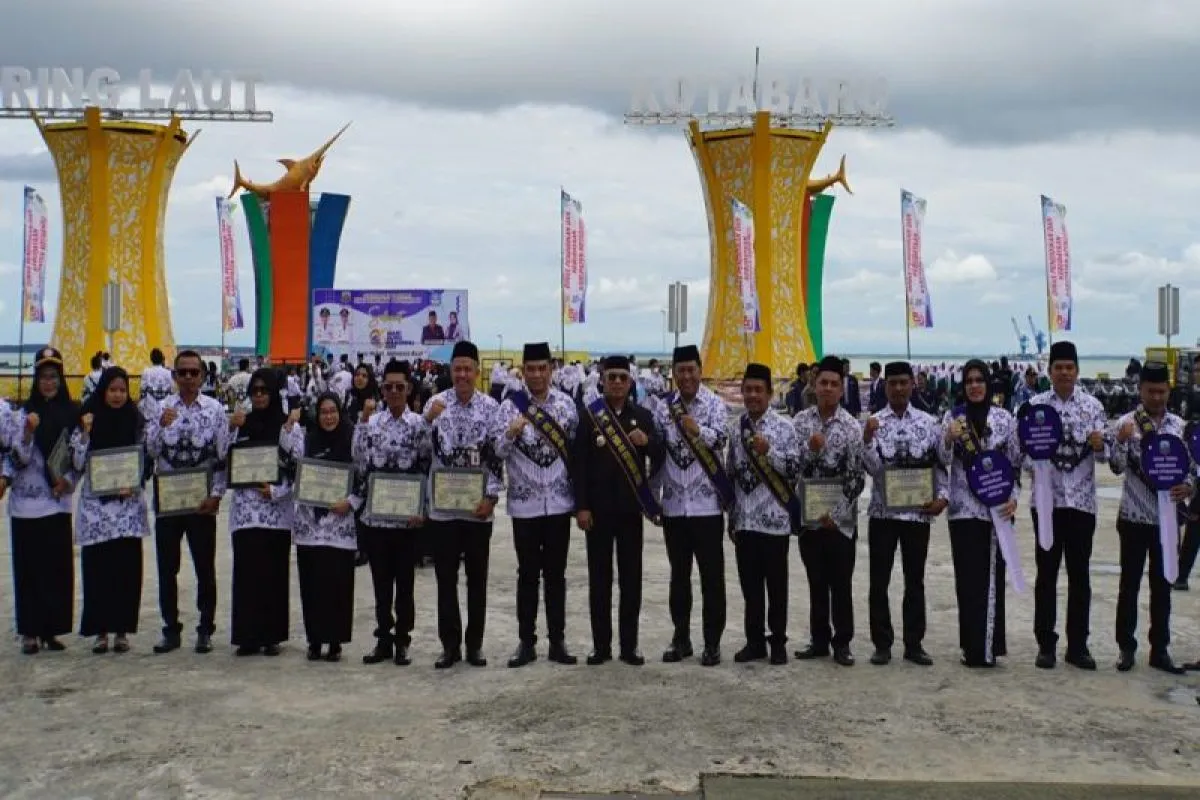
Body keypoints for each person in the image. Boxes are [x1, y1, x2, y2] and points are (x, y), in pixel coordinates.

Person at [496, 342, 580, 668]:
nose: (536, 375)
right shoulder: (510, 406)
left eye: (542, 368)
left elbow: (577, 452)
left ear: (551, 370)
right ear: (523, 371)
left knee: (556, 575)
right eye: (530, 369)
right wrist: (510, 433)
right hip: (524, 506)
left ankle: (557, 641)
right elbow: (496, 452)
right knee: (527, 575)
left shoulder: (566, 405)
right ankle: (526, 642)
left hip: (558, 504)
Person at [574, 354, 661, 666]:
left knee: (631, 580)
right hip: (597, 513)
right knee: (599, 581)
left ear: (630, 381)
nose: (617, 383)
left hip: (629, 511)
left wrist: (647, 442)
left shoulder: (643, 416)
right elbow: (579, 466)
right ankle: (601, 646)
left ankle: (629, 645)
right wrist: (581, 506)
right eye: (611, 377)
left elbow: (661, 456)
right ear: (602, 380)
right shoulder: (589, 416)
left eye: (623, 377)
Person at [861, 361, 950, 666]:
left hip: (917, 514)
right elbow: (872, 469)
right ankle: (882, 644)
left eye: (903, 382)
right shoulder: (874, 422)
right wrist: (867, 439)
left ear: (913, 384)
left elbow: (941, 464)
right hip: (883, 513)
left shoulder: (929, 422)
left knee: (915, 580)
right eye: (893, 383)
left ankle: (914, 644)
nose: (898, 388)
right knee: (879, 581)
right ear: (885, 387)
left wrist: (943, 498)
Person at [1026, 340, 1109, 670]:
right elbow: (1021, 455)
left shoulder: (1093, 406)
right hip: (1047, 502)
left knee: (1079, 576)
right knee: (1046, 575)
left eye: (1069, 367)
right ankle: (1045, 644)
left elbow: (1106, 457)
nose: (1063, 372)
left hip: (1082, 503)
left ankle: (1078, 646)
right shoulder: (1034, 406)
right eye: (1058, 367)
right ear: (1049, 371)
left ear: (1077, 371)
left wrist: (1100, 445)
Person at [423, 340, 503, 668]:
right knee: (445, 580)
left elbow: (497, 457)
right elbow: (418, 451)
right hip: (443, 511)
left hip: (476, 510)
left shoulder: (491, 408)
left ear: (477, 371)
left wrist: (492, 497)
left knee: (477, 580)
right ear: (451, 370)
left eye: (468, 369)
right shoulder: (436, 404)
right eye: (457, 369)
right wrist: (427, 421)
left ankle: (475, 645)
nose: (463, 375)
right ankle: (450, 645)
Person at [145, 349, 229, 654]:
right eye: (183, 372)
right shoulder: (161, 408)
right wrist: (160, 426)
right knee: (167, 568)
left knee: (204, 567)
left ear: (203, 376)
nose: (189, 378)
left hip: (200, 500)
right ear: (174, 376)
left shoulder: (215, 410)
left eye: (194, 372)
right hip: (169, 501)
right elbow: (150, 451)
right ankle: (171, 628)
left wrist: (217, 495)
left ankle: (205, 628)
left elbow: (222, 457)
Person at [1108, 361, 1190, 674]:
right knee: (1129, 586)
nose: (1156, 397)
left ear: (1169, 391)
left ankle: (1160, 649)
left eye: (1161, 391)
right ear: (1140, 390)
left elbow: (1193, 466)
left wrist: (1189, 486)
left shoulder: (1178, 426)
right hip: (1133, 515)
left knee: (1163, 585)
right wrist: (1120, 440)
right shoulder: (1127, 423)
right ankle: (1126, 648)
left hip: (1166, 519)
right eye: (1151, 391)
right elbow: (1115, 466)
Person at [651, 344, 730, 667]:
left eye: (691, 370)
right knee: (679, 577)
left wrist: (699, 431)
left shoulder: (714, 404)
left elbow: (722, 439)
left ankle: (712, 643)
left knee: (712, 578)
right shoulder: (663, 408)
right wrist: (653, 497)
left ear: (700, 370)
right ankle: (681, 638)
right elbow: (658, 454)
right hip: (674, 507)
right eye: (680, 370)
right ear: (673, 373)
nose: (686, 376)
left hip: (706, 506)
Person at [943, 360, 1020, 668]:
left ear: (988, 384)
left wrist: (1014, 497)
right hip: (963, 509)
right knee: (967, 580)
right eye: (969, 381)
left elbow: (1015, 462)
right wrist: (948, 438)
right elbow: (940, 458)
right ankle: (971, 646)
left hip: (996, 509)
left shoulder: (1004, 418)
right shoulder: (953, 417)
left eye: (979, 380)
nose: (974, 386)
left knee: (992, 580)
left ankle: (989, 647)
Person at [353, 359, 430, 666]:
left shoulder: (420, 425)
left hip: (407, 519)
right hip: (377, 518)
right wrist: (362, 421)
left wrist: (424, 509)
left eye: (400, 386)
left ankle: (403, 640)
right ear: (382, 390)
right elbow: (359, 463)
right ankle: (383, 638)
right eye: (389, 387)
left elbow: (427, 467)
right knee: (381, 584)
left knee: (405, 585)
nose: (394, 392)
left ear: (409, 389)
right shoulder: (372, 424)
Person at [71, 367, 151, 654]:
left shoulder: (136, 419)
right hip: (97, 510)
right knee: (98, 570)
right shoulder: (88, 419)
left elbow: (145, 458)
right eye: (112, 390)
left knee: (126, 570)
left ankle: (122, 630)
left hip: (127, 508)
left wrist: (136, 480)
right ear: (103, 391)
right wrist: (85, 433)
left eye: (122, 390)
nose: (117, 395)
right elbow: (77, 463)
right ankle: (100, 631)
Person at [793, 356, 865, 667]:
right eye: (823, 382)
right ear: (814, 384)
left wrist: (836, 514)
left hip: (840, 522)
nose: (828, 388)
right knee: (816, 581)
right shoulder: (799, 423)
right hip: (810, 518)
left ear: (842, 389)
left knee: (841, 582)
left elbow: (857, 477)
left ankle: (843, 642)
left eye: (834, 384)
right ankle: (819, 639)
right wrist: (809, 449)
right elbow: (790, 467)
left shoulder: (851, 427)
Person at [727, 363, 801, 665]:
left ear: (770, 393)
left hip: (775, 521)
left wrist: (769, 451)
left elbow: (795, 469)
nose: (753, 395)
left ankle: (778, 642)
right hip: (745, 521)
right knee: (750, 588)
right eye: (748, 390)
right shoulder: (736, 428)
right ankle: (754, 641)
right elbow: (731, 472)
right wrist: (731, 516)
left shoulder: (785, 427)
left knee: (777, 587)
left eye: (759, 390)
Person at [7, 347, 79, 654]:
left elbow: (78, 457)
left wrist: (69, 482)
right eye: (43, 377)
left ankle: (51, 629)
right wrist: (27, 433)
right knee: (29, 570)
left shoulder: (72, 413)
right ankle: (30, 631)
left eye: (53, 377)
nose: (48, 383)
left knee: (56, 569)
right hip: (26, 505)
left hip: (57, 501)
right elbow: (16, 459)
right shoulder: (22, 414)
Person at [283, 394, 360, 661]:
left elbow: (363, 475)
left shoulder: (351, 440)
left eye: (333, 411)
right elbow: (291, 467)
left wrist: (350, 502)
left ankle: (335, 641)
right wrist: (289, 425)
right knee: (312, 584)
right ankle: (314, 640)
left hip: (340, 525)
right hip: (310, 526)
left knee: (338, 584)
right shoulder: (307, 440)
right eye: (324, 412)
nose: (328, 417)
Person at [225, 368, 292, 657]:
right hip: (245, 512)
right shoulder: (242, 423)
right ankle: (247, 636)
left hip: (275, 513)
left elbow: (297, 467)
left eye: (265, 391)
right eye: (255, 391)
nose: (260, 396)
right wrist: (231, 428)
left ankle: (271, 636)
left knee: (273, 574)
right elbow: (222, 457)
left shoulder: (286, 426)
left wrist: (276, 491)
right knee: (246, 574)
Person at [140, 347, 174, 420]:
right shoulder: (168, 372)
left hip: (150, 405)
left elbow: (143, 389)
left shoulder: (146, 372)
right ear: (162, 359)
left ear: (151, 359)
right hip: (165, 404)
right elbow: (171, 390)